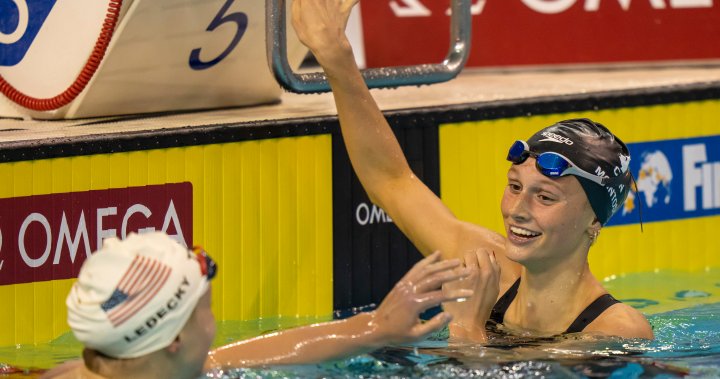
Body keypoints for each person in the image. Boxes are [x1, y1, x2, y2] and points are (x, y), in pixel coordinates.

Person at [290, 0, 654, 341]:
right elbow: (391, 181)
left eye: (544, 196)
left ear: (594, 220)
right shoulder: (485, 268)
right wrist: (337, 59)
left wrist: (468, 327)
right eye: (515, 186)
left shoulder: (616, 331)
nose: (517, 210)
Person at [41, 232, 474, 379]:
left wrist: (374, 327)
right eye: (206, 312)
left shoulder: (124, 364)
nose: (212, 326)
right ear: (172, 339)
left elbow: (229, 358)